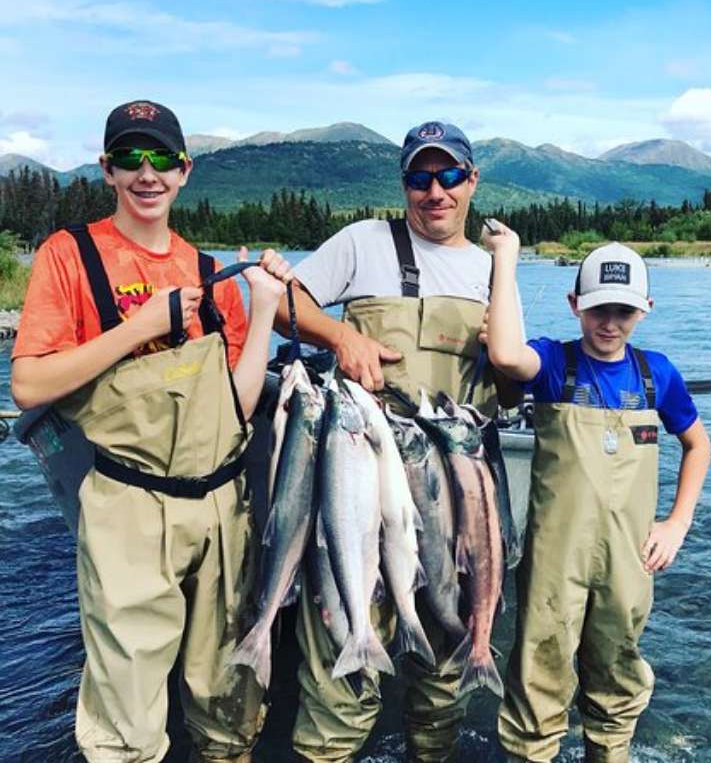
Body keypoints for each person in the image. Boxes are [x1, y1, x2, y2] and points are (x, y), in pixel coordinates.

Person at [11, 100, 293, 763]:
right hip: (127, 507)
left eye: (161, 157)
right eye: (130, 157)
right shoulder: (68, 255)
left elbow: (238, 402)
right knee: (126, 724)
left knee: (228, 706)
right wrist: (140, 327)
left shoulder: (206, 270)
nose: (148, 172)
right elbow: (27, 385)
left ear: (185, 171)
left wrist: (267, 309)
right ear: (107, 169)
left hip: (222, 508)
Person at [273, 120, 524, 761]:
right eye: (419, 177)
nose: (433, 191)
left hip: (457, 503)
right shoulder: (362, 243)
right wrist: (340, 337)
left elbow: (515, 372)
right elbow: (281, 305)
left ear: (472, 182)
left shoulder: (491, 271)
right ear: (404, 184)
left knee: (442, 683)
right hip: (359, 486)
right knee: (339, 686)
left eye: (448, 176)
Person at [483, 228, 711, 763]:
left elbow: (698, 446)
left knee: (618, 672)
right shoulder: (552, 364)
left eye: (624, 312)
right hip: (553, 560)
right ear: (574, 305)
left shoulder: (658, 375)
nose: (610, 324)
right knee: (539, 672)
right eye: (597, 310)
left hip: (629, 560)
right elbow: (505, 354)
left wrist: (677, 523)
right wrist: (506, 260)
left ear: (645, 310)